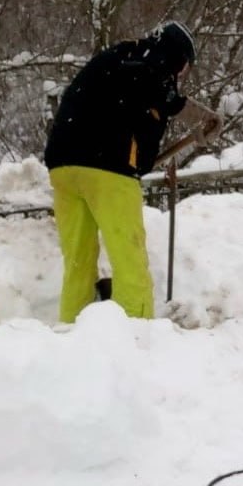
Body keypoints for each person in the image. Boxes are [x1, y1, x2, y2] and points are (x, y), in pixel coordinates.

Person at [44, 21, 222, 323]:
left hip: (62, 166)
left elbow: (129, 104)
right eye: (184, 68)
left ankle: (70, 333)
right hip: (107, 169)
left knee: (78, 261)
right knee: (130, 260)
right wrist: (191, 111)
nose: (180, 75)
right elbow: (158, 92)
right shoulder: (155, 63)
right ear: (179, 58)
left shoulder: (116, 57)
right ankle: (136, 337)